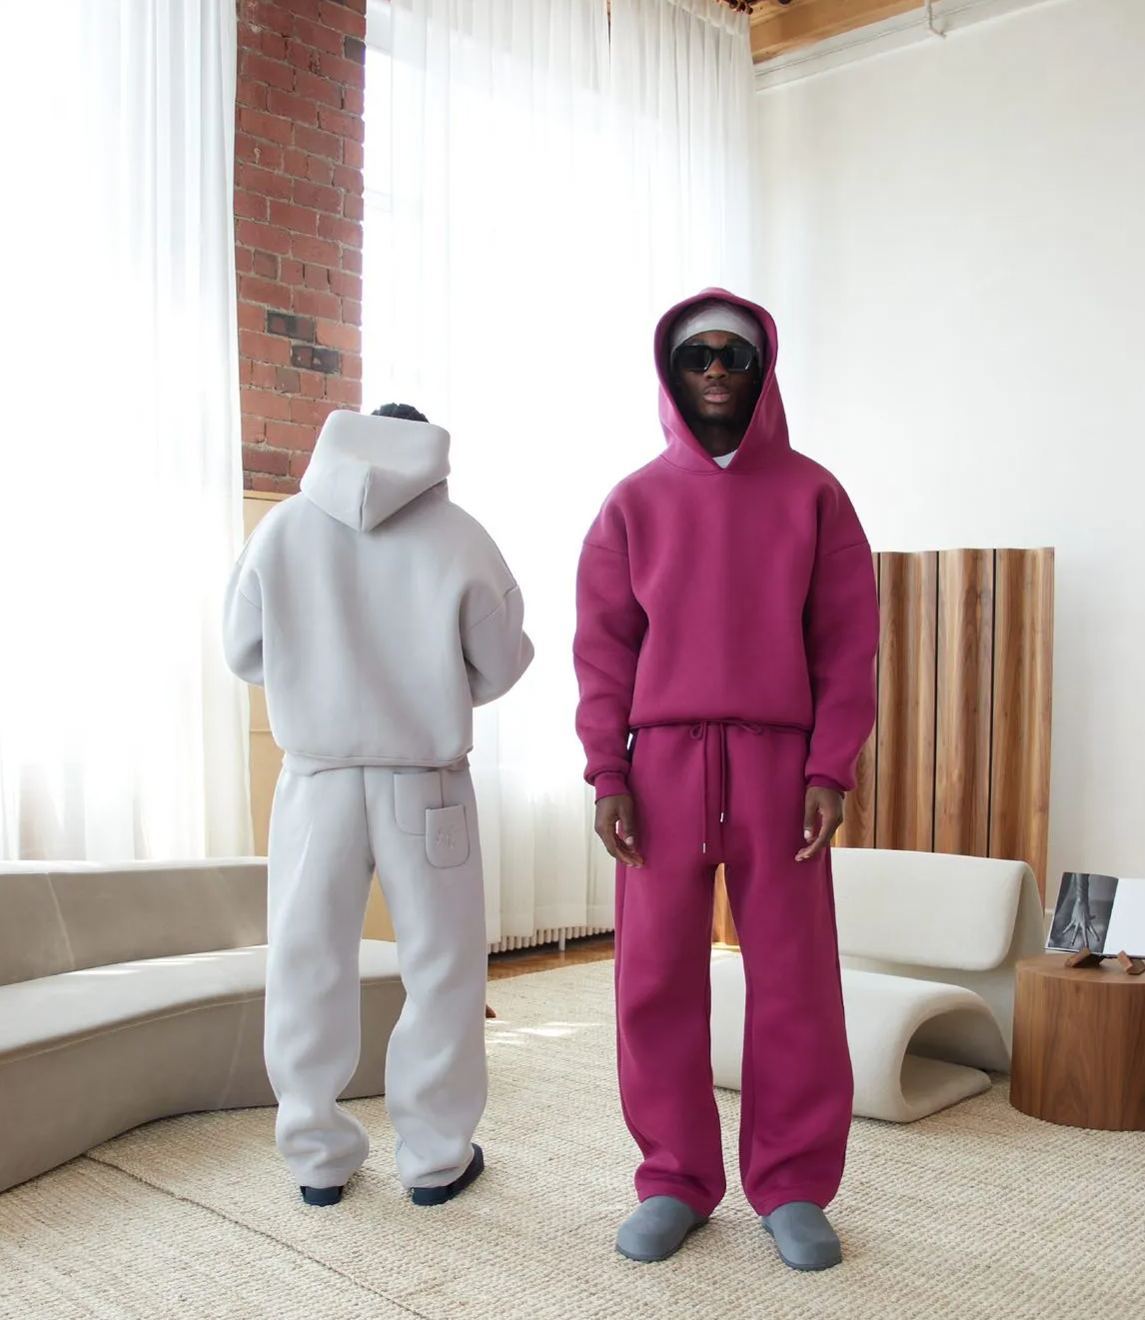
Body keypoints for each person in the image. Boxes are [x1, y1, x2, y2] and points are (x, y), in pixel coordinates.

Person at [573, 290, 879, 1270]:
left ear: (761, 370)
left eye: (733, 355)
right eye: (695, 355)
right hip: (660, 764)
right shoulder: (631, 503)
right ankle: (673, 1178)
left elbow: (846, 647)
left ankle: (791, 1185)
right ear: (669, 372)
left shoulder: (814, 495)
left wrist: (829, 766)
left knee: (794, 982)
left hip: (779, 767)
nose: (713, 369)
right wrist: (606, 771)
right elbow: (603, 651)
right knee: (652, 979)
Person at [223, 402, 533, 1208]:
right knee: (442, 967)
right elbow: (501, 663)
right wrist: (429, 681)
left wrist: (315, 675)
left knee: (306, 961)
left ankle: (316, 1157)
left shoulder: (282, 531)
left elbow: (242, 652)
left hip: (316, 777)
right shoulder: (458, 535)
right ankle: (434, 1159)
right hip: (424, 780)